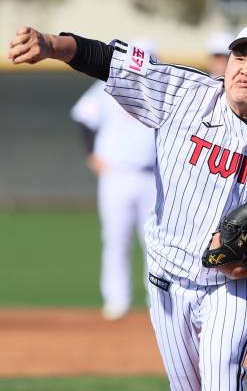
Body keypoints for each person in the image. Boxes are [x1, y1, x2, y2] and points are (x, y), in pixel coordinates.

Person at [9, 22, 247, 390]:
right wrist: (51, 44)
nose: (245, 68)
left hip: (237, 282)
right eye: (239, 56)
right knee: (185, 385)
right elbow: (112, 61)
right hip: (167, 272)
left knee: (222, 370)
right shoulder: (185, 94)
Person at [71, 40, 158, 320]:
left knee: (155, 242)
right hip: (116, 175)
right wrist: (91, 155)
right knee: (115, 239)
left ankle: (157, 301)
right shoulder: (107, 86)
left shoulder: (161, 92)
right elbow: (83, 117)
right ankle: (116, 300)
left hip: (152, 177)